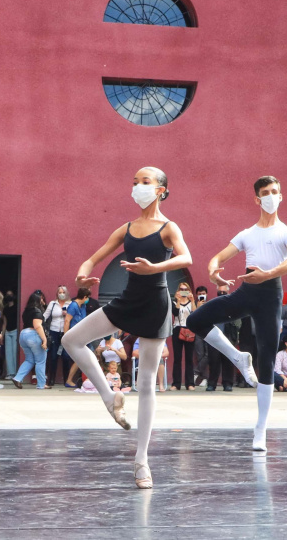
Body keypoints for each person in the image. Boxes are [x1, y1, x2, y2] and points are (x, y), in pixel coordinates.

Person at [61, 166, 192, 489]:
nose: (137, 187)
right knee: (71, 339)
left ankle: (142, 461)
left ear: (161, 189)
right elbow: (94, 258)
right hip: (127, 299)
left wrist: (156, 267)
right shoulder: (128, 228)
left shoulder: (168, 227)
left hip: (156, 303)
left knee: (147, 382)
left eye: (144, 182)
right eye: (134, 182)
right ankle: (109, 398)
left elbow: (186, 258)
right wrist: (83, 272)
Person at [185, 176, 287, 453]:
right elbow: (218, 257)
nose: (271, 196)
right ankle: (238, 356)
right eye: (265, 193)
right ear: (257, 199)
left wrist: (269, 274)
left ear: (281, 196)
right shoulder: (246, 233)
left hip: (270, 295)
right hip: (246, 291)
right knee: (195, 320)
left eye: (275, 191)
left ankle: (260, 428)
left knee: (265, 359)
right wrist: (214, 272)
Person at [13, 290, 49, 390]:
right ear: (38, 300)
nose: (42, 299)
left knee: (29, 359)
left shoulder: (26, 310)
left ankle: (18, 378)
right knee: (40, 361)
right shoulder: (37, 311)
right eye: (41, 298)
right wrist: (44, 340)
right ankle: (41, 384)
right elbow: (37, 326)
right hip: (33, 335)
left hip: (23, 334)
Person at [206, 284, 238, 392]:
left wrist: (235, 335)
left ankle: (228, 383)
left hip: (228, 335)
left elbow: (238, 320)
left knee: (228, 361)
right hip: (214, 336)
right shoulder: (212, 304)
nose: (222, 293)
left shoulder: (233, 304)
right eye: (220, 291)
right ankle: (211, 384)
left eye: (224, 292)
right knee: (213, 361)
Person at [62, 288, 92, 388]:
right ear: (84, 297)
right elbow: (67, 321)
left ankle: (72, 380)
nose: (88, 300)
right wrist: (66, 336)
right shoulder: (73, 306)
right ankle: (69, 380)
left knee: (81, 358)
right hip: (74, 335)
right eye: (88, 298)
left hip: (82, 335)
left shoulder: (82, 306)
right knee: (79, 358)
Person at [43, 285, 72, 388]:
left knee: (65, 356)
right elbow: (45, 316)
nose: (61, 294)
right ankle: (51, 380)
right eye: (60, 292)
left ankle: (66, 380)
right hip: (54, 331)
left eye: (63, 292)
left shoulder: (70, 304)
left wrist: (66, 314)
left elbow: (73, 316)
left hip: (65, 332)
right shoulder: (53, 303)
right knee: (53, 357)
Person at [170, 282, 196, 391]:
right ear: (178, 290)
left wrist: (193, 300)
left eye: (186, 289)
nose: (183, 291)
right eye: (181, 289)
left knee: (189, 358)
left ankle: (190, 383)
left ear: (189, 290)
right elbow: (175, 313)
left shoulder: (191, 302)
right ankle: (176, 383)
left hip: (189, 329)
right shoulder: (174, 302)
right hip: (177, 328)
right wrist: (179, 300)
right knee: (177, 358)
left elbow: (195, 313)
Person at [192, 285, 211, 386]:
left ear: (206, 294)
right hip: (198, 332)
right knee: (200, 355)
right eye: (199, 294)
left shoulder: (210, 304)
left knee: (208, 354)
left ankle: (196, 372)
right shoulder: (194, 304)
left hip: (208, 331)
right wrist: (198, 308)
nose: (202, 295)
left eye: (203, 294)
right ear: (196, 295)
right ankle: (204, 379)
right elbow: (192, 318)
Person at [2, 291, 19, 380]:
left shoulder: (17, 307)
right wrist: (2, 335)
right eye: (7, 294)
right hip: (8, 332)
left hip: (16, 331)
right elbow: (4, 323)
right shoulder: (5, 309)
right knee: (8, 353)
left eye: (10, 294)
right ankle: (10, 373)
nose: (9, 296)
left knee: (15, 352)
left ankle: (16, 372)